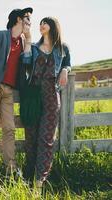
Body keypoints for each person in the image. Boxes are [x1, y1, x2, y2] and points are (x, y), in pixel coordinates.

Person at [0, 7, 33, 177]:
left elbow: (27, 63)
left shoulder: (23, 42)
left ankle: (10, 166)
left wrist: (29, 39)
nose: (30, 23)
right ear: (18, 19)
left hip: (9, 90)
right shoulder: (0, 36)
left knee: (9, 128)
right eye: (27, 18)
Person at [21, 17, 71, 188]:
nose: (41, 25)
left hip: (51, 95)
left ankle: (40, 179)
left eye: (45, 22)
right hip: (33, 96)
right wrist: (27, 41)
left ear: (53, 26)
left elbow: (68, 63)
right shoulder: (34, 47)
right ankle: (28, 174)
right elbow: (25, 63)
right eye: (40, 23)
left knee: (46, 138)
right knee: (31, 137)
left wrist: (65, 69)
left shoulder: (62, 48)